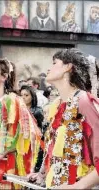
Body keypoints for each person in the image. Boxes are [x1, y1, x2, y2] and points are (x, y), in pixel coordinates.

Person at [28, 48, 99, 189]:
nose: (49, 68)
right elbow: (53, 149)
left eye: (54, 63)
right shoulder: (56, 105)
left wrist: (78, 186)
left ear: (68, 67)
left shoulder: (84, 101)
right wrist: (42, 174)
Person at [0, 58, 41, 189]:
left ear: (4, 76)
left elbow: (26, 134)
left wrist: (4, 152)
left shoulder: (13, 100)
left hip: (9, 167)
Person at [20, 85, 45, 173]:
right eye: (22, 95)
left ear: (32, 96)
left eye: (26, 95)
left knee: (31, 165)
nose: (23, 97)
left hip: (34, 142)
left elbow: (41, 129)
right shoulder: (18, 110)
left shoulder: (37, 111)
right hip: (21, 141)